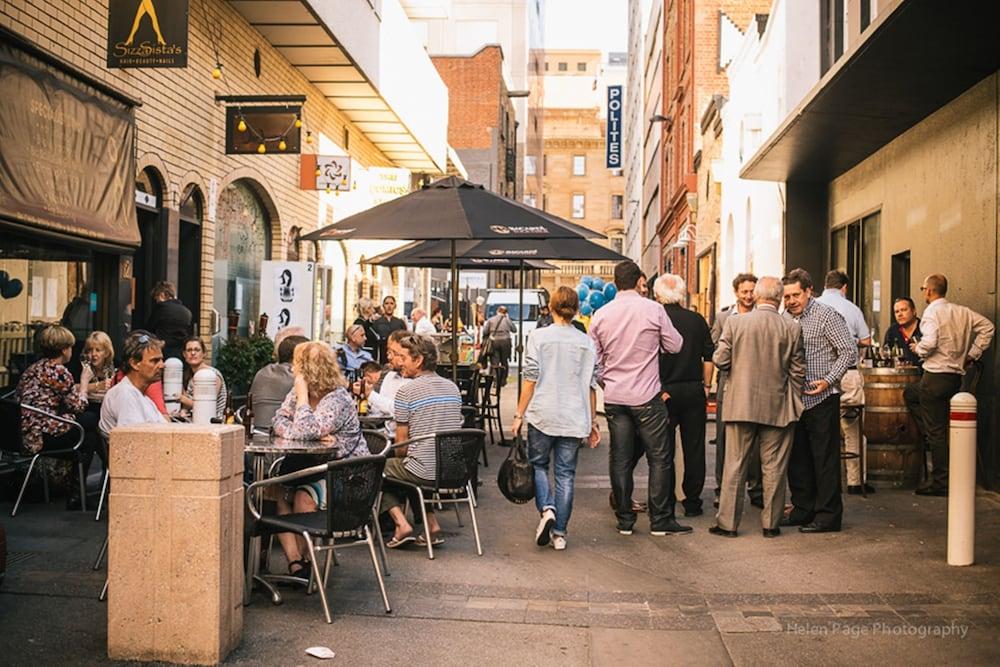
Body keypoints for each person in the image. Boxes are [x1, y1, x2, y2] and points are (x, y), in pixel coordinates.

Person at [589, 260, 687, 536]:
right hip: (646, 395)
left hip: (615, 397)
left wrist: (605, 379)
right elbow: (675, 344)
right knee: (659, 457)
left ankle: (625, 521)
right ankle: (660, 520)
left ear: (616, 282)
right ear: (638, 282)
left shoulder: (601, 314)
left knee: (620, 459)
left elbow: (592, 357)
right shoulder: (653, 309)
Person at [711, 278, 805, 538]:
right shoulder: (791, 327)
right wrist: (794, 401)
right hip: (778, 405)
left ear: (759, 296)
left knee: (735, 465)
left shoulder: (736, 323)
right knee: (774, 467)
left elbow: (719, 359)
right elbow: (798, 371)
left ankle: (728, 524)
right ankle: (770, 525)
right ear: (778, 298)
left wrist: (735, 371)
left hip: (740, 403)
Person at [271, 342, 370, 579]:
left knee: (304, 495)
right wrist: (302, 429)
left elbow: (304, 430)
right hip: (314, 466)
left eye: (297, 365)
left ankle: (307, 561)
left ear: (308, 369)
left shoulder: (337, 399)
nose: (293, 370)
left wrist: (303, 398)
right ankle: (296, 562)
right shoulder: (296, 393)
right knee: (275, 490)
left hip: (347, 476)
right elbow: (278, 421)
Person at [511, 287, 599, 551]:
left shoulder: (538, 337)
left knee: (538, 465)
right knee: (566, 474)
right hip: (574, 416)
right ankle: (559, 533)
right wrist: (593, 421)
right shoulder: (586, 342)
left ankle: (547, 508)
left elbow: (530, 378)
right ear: (576, 309)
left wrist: (518, 414)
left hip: (543, 414)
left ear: (550, 307)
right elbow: (591, 385)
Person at [781, 268, 856, 533]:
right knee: (798, 459)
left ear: (809, 291)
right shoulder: (785, 318)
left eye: (796, 295)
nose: (791, 301)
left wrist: (829, 380)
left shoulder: (826, 316)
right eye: (787, 296)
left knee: (824, 460)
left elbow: (849, 351)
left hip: (822, 399)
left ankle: (828, 516)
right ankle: (803, 509)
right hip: (794, 399)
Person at [904, 274, 994, 496]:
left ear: (929, 291)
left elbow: (930, 342)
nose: (923, 291)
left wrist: (919, 349)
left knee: (935, 432)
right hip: (954, 379)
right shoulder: (962, 311)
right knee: (911, 394)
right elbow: (988, 327)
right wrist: (972, 353)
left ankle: (941, 482)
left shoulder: (931, 313)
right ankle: (934, 439)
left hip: (934, 377)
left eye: (923, 288)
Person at [380, 334, 463, 548]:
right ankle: (430, 522)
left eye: (403, 358)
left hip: (424, 470)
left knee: (379, 468)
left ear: (418, 361)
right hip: (452, 469)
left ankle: (400, 522)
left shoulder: (406, 391)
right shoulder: (453, 388)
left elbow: (402, 445)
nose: (400, 363)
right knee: (411, 466)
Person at [15, 324, 101, 509]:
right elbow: (78, 406)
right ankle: (80, 493)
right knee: (91, 423)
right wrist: (85, 383)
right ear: (64, 350)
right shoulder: (59, 372)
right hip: (41, 437)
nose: (71, 351)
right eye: (70, 347)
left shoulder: (33, 369)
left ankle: (78, 494)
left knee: (88, 431)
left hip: (22, 434)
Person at [654, 274, 714, 517]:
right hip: (692, 389)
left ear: (658, 295)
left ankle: (666, 500)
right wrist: (706, 386)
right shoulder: (697, 320)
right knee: (694, 447)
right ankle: (692, 501)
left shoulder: (656, 319)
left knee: (664, 449)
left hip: (663, 391)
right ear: (681, 293)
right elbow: (709, 356)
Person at [816, 270, 874, 495]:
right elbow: (866, 341)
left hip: (819, 376)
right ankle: (854, 481)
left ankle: (823, 481)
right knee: (853, 429)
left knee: (821, 429)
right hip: (847, 374)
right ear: (844, 288)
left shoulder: (814, 305)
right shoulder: (852, 308)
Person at [710, 273, 763, 509]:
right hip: (728, 386)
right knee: (724, 440)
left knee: (756, 445)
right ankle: (722, 490)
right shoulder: (723, 318)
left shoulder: (763, 317)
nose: (749, 296)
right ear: (736, 293)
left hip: (756, 387)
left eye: (752, 291)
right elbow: (714, 350)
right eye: (745, 291)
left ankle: (756, 489)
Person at [99, 331, 168, 435]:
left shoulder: (142, 397)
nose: (162, 365)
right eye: (155, 361)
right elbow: (134, 442)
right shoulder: (125, 394)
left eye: (161, 360)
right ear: (135, 364)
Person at [358, 330, 412, 439]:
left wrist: (370, 395)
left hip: (402, 440)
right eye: (388, 352)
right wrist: (367, 404)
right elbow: (380, 412)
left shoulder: (414, 381)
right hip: (384, 435)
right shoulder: (389, 376)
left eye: (393, 352)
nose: (389, 357)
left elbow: (399, 410)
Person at [249, 332, 309, 430]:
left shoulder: (263, 372)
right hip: (281, 435)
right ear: (300, 357)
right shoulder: (298, 377)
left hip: (256, 430)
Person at [178, 336, 228, 419]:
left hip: (213, 424)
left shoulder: (212, 375)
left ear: (204, 353)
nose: (193, 353)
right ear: (184, 354)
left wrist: (182, 398)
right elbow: (187, 406)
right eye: (189, 350)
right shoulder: (191, 377)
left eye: (197, 350)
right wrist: (183, 411)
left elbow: (206, 406)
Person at [145, 281, 192, 360]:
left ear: (162, 295)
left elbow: (149, 329)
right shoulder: (187, 312)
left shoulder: (161, 309)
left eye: (157, 298)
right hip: (181, 354)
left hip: (163, 352)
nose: (156, 301)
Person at [482, 305, 517, 387]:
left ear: (497, 311)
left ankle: (495, 380)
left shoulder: (491, 320)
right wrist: (508, 319)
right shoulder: (507, 320)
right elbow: (514, 330)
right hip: (505, 341)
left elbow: (485, 332)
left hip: (494, 341)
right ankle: (503, 380)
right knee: (504, 361)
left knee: (495, 362)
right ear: (506, 313)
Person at [884, 297, 922, 366]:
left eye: (903, 310)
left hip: (923, 373)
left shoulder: (924, 328)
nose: (899, 314)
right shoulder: (892, 331)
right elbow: (886, 351)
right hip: (899, 374)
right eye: (897, 312)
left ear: (914, 311)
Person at [371, 295, 407, 363]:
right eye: (387, 303)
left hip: (398, 356)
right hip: (382, 356)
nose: (389, 306)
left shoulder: (400, 322)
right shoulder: (377, 322)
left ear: (395, 306)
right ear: (383, 306)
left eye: (391, 303)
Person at [81, 331, 116, 396]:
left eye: (98, 350)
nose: (93, 354)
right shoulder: (82, 367)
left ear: (107, 353)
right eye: (90, 350)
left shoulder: (116, 367)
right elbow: (73, 388)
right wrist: (97, 386)